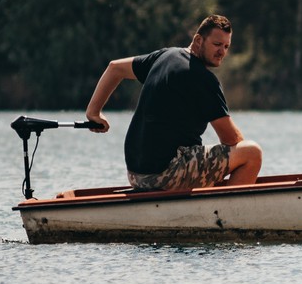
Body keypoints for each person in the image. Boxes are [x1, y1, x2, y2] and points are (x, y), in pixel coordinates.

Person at [84, 14, 263, 190]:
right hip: (165, 174)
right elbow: (231, 139)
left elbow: (115, 68)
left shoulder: (164, 56)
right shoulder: (203, 79)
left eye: (226, 46)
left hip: (135, 174)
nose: (222, 52)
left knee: (211, 158)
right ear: (198, 40)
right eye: (217, 44)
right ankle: (225, 216)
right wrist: (241, 168)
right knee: (251, 153)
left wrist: (93, 112)